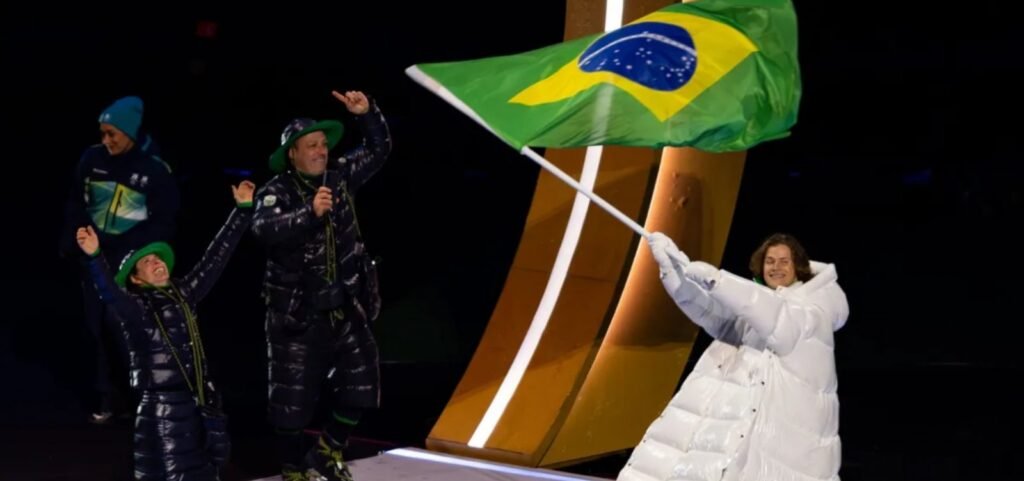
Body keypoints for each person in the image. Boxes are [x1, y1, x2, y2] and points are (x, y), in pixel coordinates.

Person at [617, 232, 849, 481]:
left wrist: (719, 281)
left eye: (785, 261)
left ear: (798, 267)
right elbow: (707, 306)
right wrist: (672, 269)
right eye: (770, 261)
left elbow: (777, 317)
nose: (776, 267)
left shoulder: (812, 313)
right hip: (727, 433)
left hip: (782, 449)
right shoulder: (754, 310)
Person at [251, 90, 391, 481]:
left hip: (344, 304)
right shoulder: (275, 192)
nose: (321, 151)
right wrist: (308, 213)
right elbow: (263, 229)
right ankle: (293, 468)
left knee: (363, 384)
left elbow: (378, 150)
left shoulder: (339, 178)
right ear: (292, 154)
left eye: (324, 144)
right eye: (312, 146)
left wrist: (368, 114)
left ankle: (328, 449)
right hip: (297, 312)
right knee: (291, 404)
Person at [75, 180, 255, 481]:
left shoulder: (185, 293)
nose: (156, 261)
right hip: (163, 412)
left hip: (198, 403)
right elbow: (110, 293)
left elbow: (216, 257)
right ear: (136, 279)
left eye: (158, 257)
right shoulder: (136, 308)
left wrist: (242, 211)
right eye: (147, 262)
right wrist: (95, 257)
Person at [60, 96, 181, 422]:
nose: (106, 140)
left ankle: (142, 399)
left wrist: (134, 254)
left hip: (131, 265)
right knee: (96, 328)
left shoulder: (154, 169)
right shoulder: (91, 159)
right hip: (94, 258)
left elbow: (165, 221)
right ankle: (108, 398)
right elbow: (76, 203)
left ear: (129, 131)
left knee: (132, 332)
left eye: (112, 133)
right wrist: (72, 241)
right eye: (102, 133)